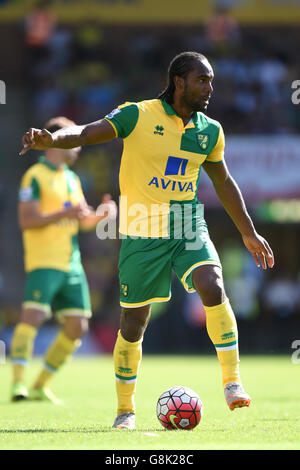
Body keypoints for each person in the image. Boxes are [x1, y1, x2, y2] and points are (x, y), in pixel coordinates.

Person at [19, 52, 274, 427]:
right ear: (178, 82)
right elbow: (88, 133)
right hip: (141, 230)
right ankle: (125, 409)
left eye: (211, 81)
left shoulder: (210, 131)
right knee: (133, 324)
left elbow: (222, 181)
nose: (209, 88)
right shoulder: (137, 115)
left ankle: (232, 381)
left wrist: (249, 232)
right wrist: (53, 139)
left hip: (186, 223)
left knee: (212, 285)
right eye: (202, 80)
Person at [12, 116, 117, 403]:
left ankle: (39, 385)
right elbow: (26, 220)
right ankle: (17, 384)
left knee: (78, 326)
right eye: (72, 139)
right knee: (32, 317)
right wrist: (63, 214)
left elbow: (81, 221)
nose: (78, 147)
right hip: (44, 260)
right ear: (57, 141)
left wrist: (103, 214)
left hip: (71, 263)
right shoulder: (34, 176)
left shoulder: (71, 179)